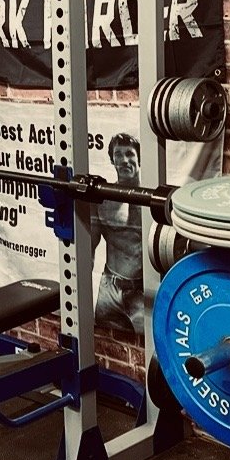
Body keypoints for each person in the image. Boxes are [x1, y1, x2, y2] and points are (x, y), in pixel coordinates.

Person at [91, 132, 146, 334]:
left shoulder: (152, 198)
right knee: (105, 341)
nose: (124, 160)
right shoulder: (103, 200)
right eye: (118, 154)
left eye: (129, 154)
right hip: (109, 288)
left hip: (143, 290)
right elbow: (90, 247)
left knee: (152, 344)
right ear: (112, 160)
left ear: (139, 158)